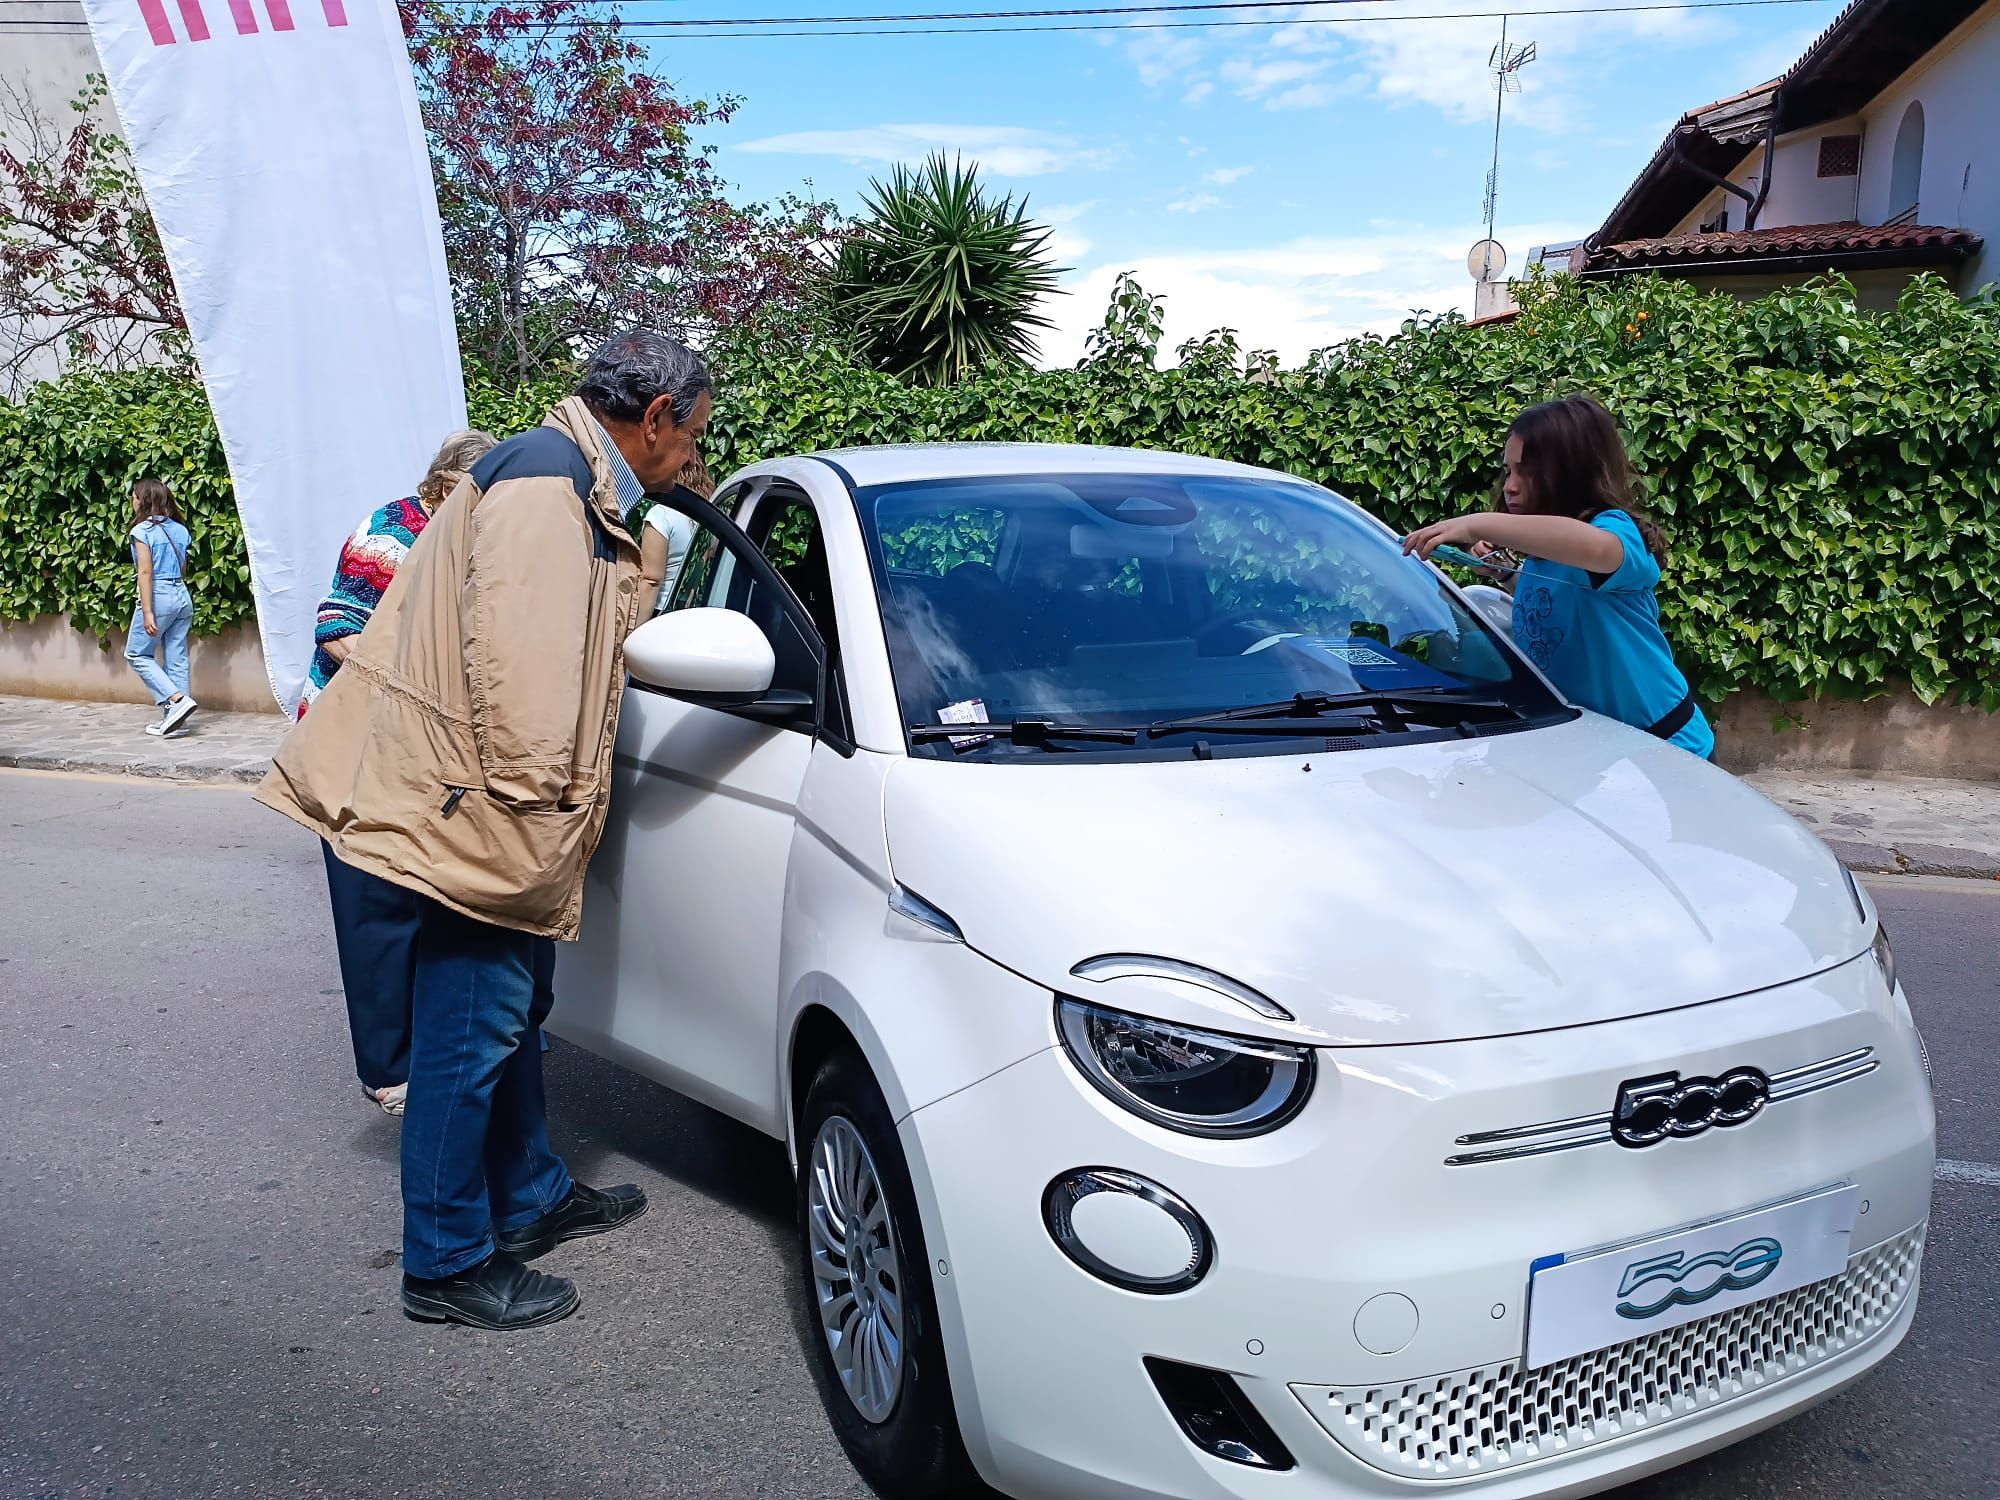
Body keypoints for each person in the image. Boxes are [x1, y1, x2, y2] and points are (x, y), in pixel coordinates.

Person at [257, 332, 714, 1330]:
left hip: (480, 804)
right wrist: (535, 813)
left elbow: (597, 637)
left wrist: (649, 537)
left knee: (510, 1020)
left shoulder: (568, 482)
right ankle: (447, 1261)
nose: (691, 462)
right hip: (484, 813)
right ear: (654, 419)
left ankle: (531, 1196)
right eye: (692, 441)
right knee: (470, 1033)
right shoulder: (547, 488)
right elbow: (526, 670)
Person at [303, 428, 499, 1117]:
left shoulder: (473, 534)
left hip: (418, 748)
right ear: (444, 486)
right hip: (354, 743)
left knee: (428, 904)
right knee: (374, 911)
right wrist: (420, 685)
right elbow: (339, 627)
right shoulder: (394, 530)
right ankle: (389, 1070)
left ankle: (440, 1049)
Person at [1402, 394, 1715, 759]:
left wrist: (1475, 524)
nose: (1510, 486)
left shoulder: (1612, 530)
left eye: (1527, 472)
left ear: (1571, 471)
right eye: (1508, 472)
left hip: (1669, 749)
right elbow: (1558, 606)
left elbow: (1598, 551)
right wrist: (1504, 576)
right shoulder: (1544, 558)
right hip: (1601, 754)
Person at [124, 479, 197, 737]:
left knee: (137, 654)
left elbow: (145, 572)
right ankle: (176, 721)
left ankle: (176, 701)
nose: (131, 501)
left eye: (133, 497)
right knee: (177, 658)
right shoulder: (179, 530)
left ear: (142, 500)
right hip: (182, 596)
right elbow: (183, 567)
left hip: (159, 596)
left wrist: (147, 611)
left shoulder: (142, 531)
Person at [640, 450, 716, 612]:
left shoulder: (660, 515)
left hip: (662, 610)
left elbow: (651, 581)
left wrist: (633, 632)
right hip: (694, 610)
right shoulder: (708, 516)